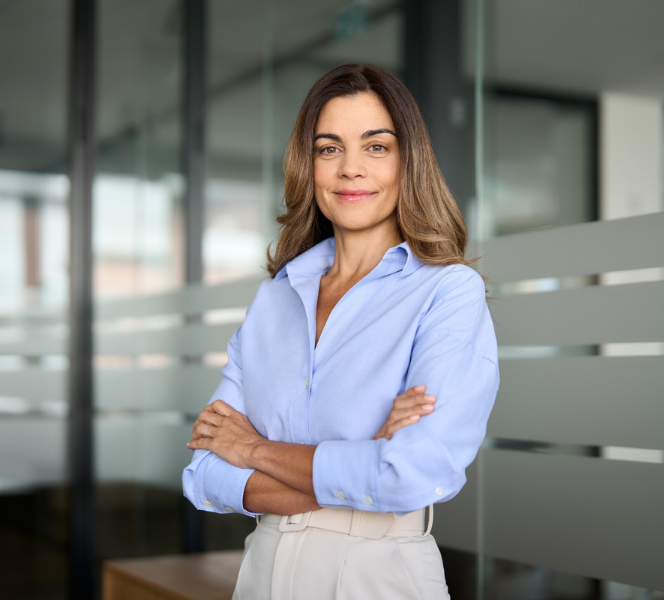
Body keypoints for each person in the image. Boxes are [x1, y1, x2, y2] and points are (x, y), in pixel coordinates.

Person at [182, 64, 499, 600]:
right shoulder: (274, 299)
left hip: (377, 576)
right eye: (329, 149)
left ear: (408, 161)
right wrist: (358, 464)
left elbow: (411, 473)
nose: (351, 168)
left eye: (376, 146)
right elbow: (204, 474)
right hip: (262, 573)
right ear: (309, 167)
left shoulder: (448, 293)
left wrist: (255, 450)